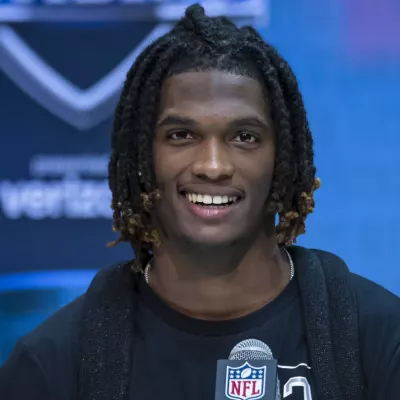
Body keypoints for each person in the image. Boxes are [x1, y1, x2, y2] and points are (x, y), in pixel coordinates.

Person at [1, 4, 399, 400]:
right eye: (181, 136)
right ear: (142, 158)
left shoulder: (380, 338)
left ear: (283, 160)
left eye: (244, 137)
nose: (212, 166)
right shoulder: (50, 365)